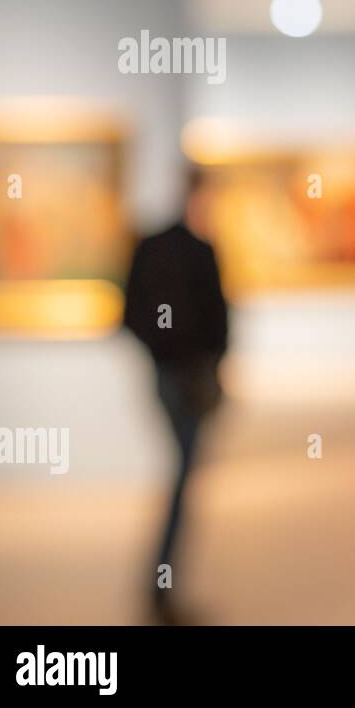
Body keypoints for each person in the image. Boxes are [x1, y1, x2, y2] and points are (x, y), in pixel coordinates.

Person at [122, 166, 228, 625]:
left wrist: (169, 354)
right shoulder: (192, 251)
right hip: (181, 378)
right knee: (183, 480)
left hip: (177, 376)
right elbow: (220, 324)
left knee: (183, 478)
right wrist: (190, 357)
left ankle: (162, 585)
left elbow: (129, 314)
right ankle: (161, 586)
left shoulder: (158, 247)